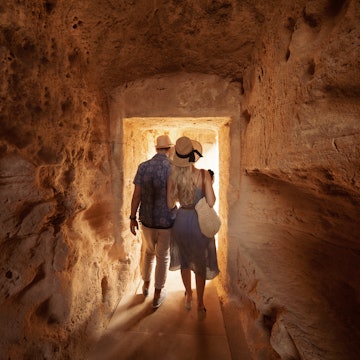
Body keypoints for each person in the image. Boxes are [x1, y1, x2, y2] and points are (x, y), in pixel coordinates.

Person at [167, 136, 219, 320]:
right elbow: (211, 202)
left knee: (185, 261)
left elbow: (169, 204)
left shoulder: (173, 176)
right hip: (199, 223)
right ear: (193, 155)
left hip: (181, 220)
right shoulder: (203, 174)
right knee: (200, 262)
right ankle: (200, 304)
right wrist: (207, 187)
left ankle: (188, 295)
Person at [130, 134, 175, 309]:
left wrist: (132, 217)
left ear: (156, 148)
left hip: (147, 220)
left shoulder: (143, 167)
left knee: (148, 253)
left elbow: (136, 195)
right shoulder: (173, 168)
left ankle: (146, 287)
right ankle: (157, 295)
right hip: (166, 222)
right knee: (163, 257)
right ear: (169, 149)